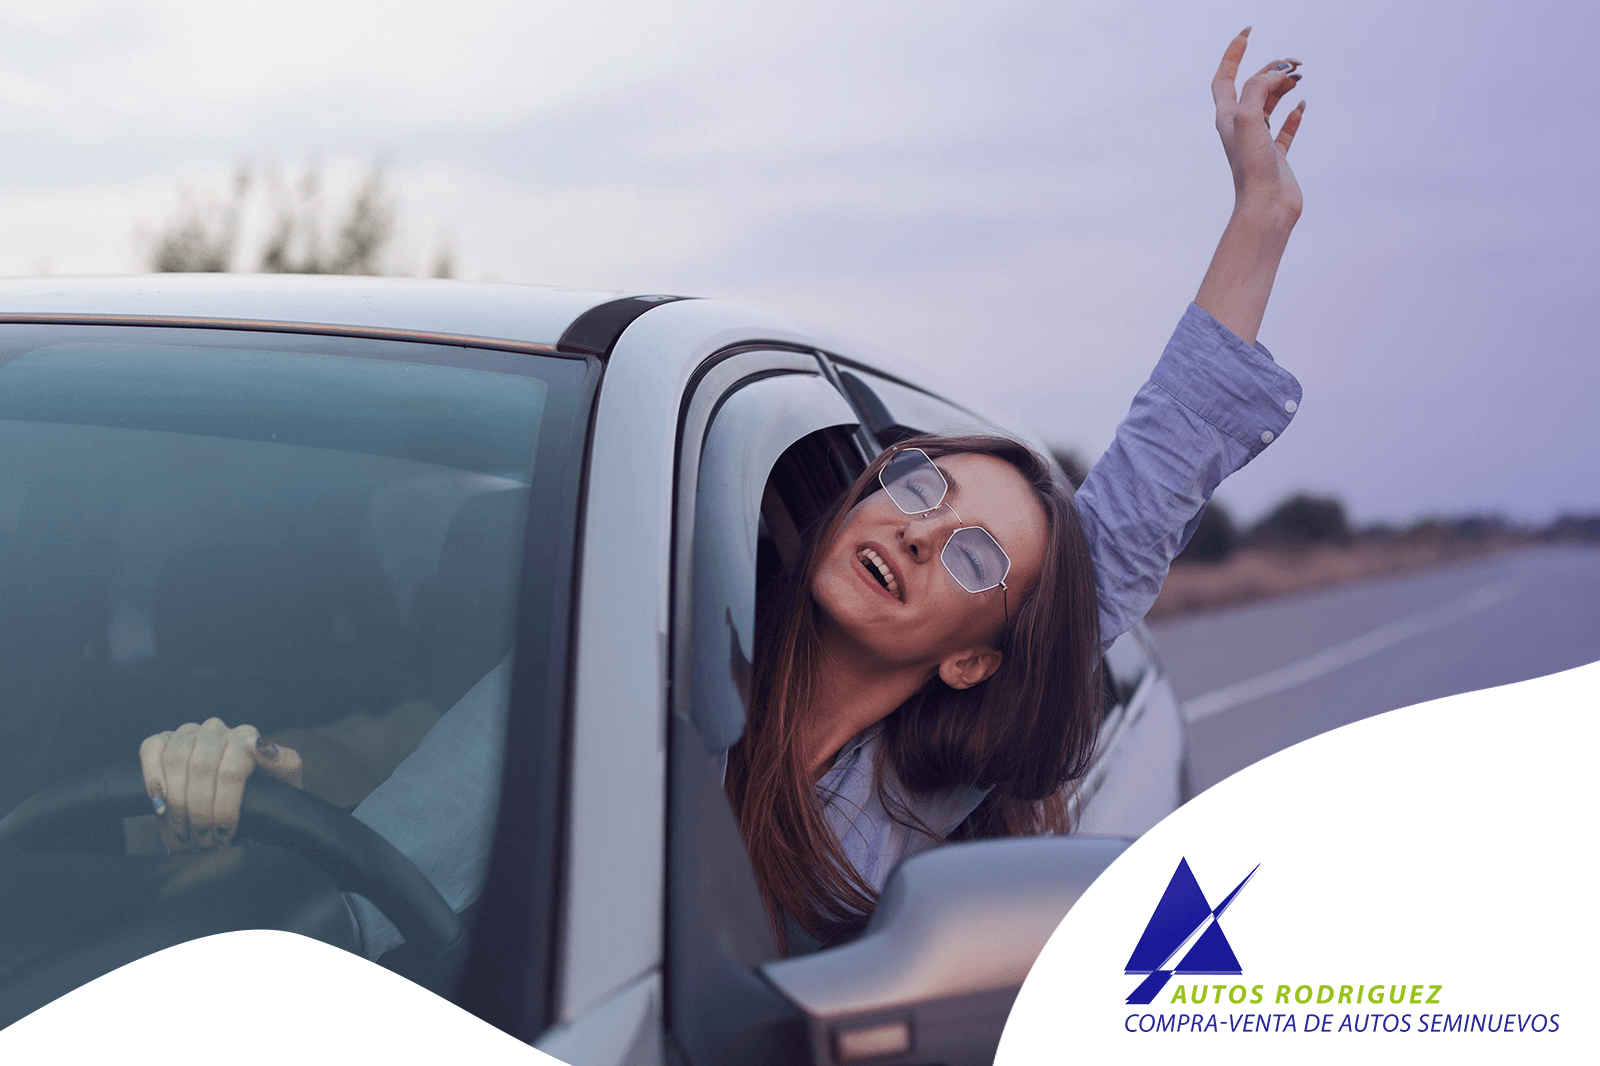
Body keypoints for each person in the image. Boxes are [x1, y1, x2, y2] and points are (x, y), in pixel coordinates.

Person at [138, 28, 1307, 955]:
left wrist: (1260, 218)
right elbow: (381, 886)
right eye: (917, 485)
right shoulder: (605, 678)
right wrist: (237, 820)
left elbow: (1147, 485)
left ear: (975, 657)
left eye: (971, 558)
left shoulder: (930, 797)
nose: (917, 531)